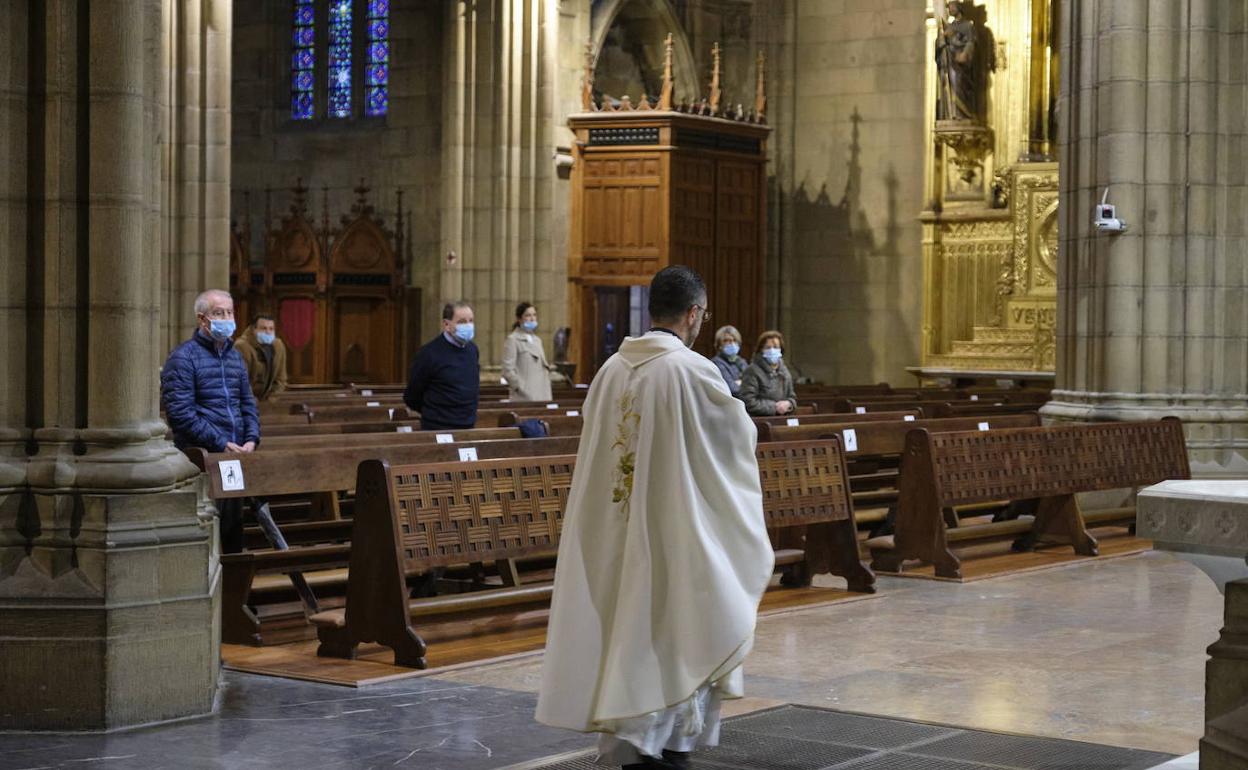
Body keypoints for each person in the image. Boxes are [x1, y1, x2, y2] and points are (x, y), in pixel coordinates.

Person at [536, 265, 774, 769]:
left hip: (615, 535)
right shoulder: (691, 371)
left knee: (627, 630)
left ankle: (630, 744)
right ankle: (664, 748)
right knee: (674, 629)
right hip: (673, 532)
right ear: (692, 313)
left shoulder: (610, 371)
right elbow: (735, 443)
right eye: (703, 315)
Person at [161, 289, 260, 553]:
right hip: (202, 457)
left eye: (230, 312)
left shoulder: (234, 356)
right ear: (202, 319)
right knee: (208, 532)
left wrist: (251, 438)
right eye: (219, 313)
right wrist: (221, 442)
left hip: (235, 455)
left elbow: (247, 403)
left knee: (232, 530)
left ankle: (233, 588)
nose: (227, 318)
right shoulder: (183, 358)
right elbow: (180, 414)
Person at [403, 301, 480, 430]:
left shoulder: (472, 350)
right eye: (461, 322)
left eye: (471, 321)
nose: (468, 326)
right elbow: (413, 395)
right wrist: (434, 412)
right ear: (446, 324)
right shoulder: (429, 353)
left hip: (468, 424)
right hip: (438, 425)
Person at [501, 302, 554, 401]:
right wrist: (520, 387)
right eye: (528, 315)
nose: (532, 318)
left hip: (542, 394)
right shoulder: (513, 339)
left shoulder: (537, 340)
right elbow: (507, 370)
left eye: (534, 315)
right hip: (524, 396)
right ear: (519, 318)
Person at [738, 330, 797, 417]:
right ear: (761, 350)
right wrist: (774, 407)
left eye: (776, 347)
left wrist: (789, 404)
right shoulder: (752, 371)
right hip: (760, 419)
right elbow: (748, 401)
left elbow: (792, 396)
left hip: (782, 418)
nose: (772, 350)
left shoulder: (784, 371)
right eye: (768, 347)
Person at [233, 313, 288, 401]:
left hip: (268, 400)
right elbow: (239, 380)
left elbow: (281, 378)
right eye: (263, 328)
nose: (268, 332)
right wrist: (249, 399)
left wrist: (274, 396)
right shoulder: (241, 346)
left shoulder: (278, 345)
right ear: (254, 329)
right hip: (245, 400)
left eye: (271, 329)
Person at [709, 325, 748, 396]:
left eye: (734, 340)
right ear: (719, 344)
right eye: (726, 340)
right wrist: (745, 384)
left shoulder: (742, 361)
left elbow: (754, 385)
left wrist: (740, 383)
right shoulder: (716, 363)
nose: (732, 343)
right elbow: (733, 389)